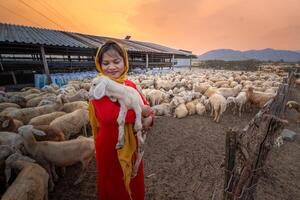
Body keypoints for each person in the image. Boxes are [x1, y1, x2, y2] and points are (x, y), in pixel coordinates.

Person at [88, 40, 153, 200]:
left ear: (124, 62)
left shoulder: (131, 85)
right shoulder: (99, 87)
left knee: (133, 179)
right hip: (110, 146)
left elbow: (147, 107)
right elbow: (109, 117)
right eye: (106, 63)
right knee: (114, 185)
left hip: (131, 145)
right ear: (99, 64)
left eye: (116, 61)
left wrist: (149, 118)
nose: (111, 67)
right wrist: (140, 113)